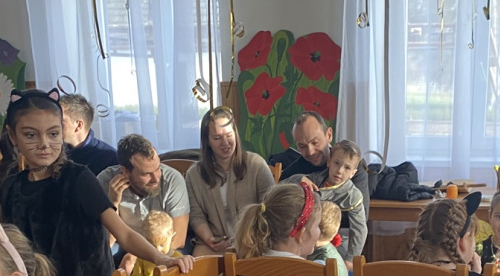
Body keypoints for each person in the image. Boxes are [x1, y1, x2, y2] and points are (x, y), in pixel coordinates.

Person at [0, 89, 191, 276]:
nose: (44, 144)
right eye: (30, 135)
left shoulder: (79, 178)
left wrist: (161, 258)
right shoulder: (12, 187)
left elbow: (123, 233)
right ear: (13, 135)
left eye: (53, 133)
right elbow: (14, 249)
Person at [183, 106, 274, 256]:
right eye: (217, 138)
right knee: (197, 264)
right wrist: (210, 239)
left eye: (229, 135)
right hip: (213, 244)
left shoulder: (256, 164)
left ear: (235, 134)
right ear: (207, 141)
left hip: (253, 242)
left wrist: (250, 239)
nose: (225, 142)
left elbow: (270, 208)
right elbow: (196, 215)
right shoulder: (194, 174)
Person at [98, 133, 190, 251]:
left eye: (158, 168)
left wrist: (137, 257)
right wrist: (113, 204)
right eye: (146, 174)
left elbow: (178, 241)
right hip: (123, 245)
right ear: (125, 172)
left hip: (162, 247)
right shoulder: (106, 181)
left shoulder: (172, 180)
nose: (156, 179)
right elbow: (107, 245)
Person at [286, 138, 367, 259]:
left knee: (333, 259)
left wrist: (350, 259)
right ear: (329, 162)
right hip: (305, 234)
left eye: (347, 168)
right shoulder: (316, 179)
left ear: (353, 173)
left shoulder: (353, 196)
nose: (339, 171)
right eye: (337, 163)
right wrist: (299, 179)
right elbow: (281, 187)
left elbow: (359, 230)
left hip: (336, 238)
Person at [280, 111, 371, 219]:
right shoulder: (292, 173)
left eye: (315, 142)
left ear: (329, 135)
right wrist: (296, 180)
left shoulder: (353, 166)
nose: (310, 152)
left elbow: (361, 215)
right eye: (302, 146)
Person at [59, 93, 118, 176]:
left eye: (60, 122)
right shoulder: (54, 153)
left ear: (78, 126)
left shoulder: (111, 159)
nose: (53, 126)